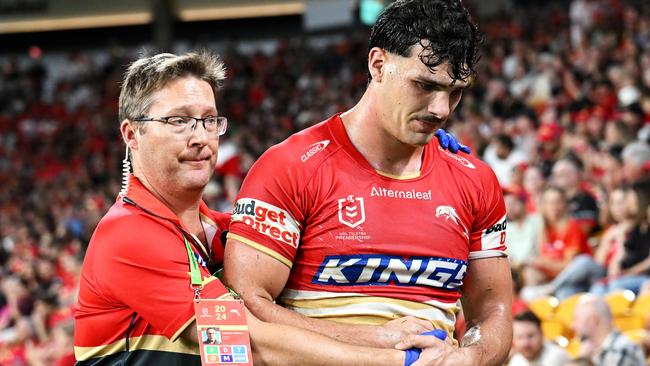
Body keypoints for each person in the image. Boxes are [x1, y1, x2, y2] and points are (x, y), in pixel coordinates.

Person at [73, 51, 455, 366]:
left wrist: (409, 143)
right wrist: (393, 356)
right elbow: (240, 343)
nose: (200, 138)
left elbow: (304, 308)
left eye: (209, 120)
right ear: (131, 134)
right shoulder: (127, 234)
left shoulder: (225, 231)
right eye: (178, 121)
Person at [224, 1, 513, 364]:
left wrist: (470, 357)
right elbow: (244, 308)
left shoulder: (475, 180)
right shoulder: (291, 167)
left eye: (454, 91)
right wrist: (376, 343)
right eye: (424, 85)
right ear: (378, 65)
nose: (441, 109)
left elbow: (494, 310)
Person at [571, 294, 646, 366]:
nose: (572, 326)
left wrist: (582, 361)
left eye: (576, 319)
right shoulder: (590, 350)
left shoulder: (621, 350)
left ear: (593, 321)